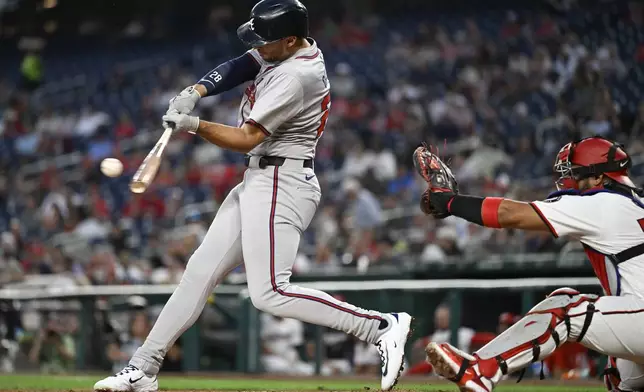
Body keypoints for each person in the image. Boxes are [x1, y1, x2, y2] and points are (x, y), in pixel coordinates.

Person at [93, 1, 411, 391]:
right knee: (198, 274)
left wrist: (194, 124)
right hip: (262, 179)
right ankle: (143, 368)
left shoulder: (297, 76)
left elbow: (246, 138)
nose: (259, 47)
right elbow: (243, 64)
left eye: (266, 40)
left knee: (270, 293)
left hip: (283, 180)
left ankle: (380, 326)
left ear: (290, 39)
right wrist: (197, 90)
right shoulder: (289, 49)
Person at [415, 136, 644, 392]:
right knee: (620, 377)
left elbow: (509, 214)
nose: (570, 181)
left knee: (565, 308)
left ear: (600, 177)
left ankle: (482, 370)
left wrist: (449, 201)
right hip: (636, 317)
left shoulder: (602, 202)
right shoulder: (634, 205)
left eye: (576, 174)